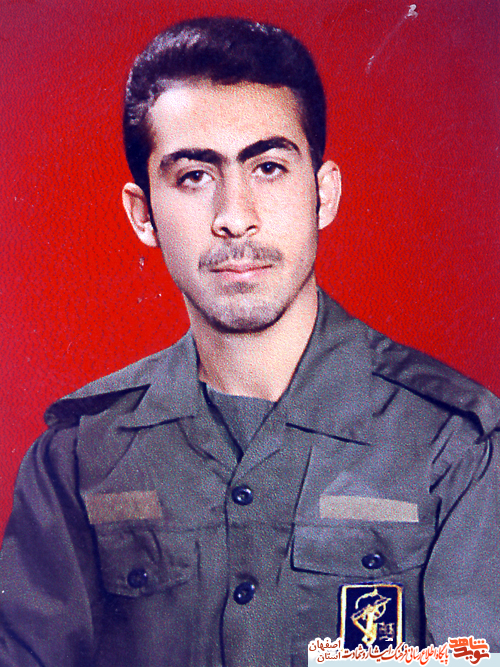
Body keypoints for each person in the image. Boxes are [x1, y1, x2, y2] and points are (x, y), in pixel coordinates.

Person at [0, 16, 499, 667]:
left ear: (323, 194)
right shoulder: (77, 455)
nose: (235, 216)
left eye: (267, 167)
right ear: (143, 214)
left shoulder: (454, 446)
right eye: (193, 176)